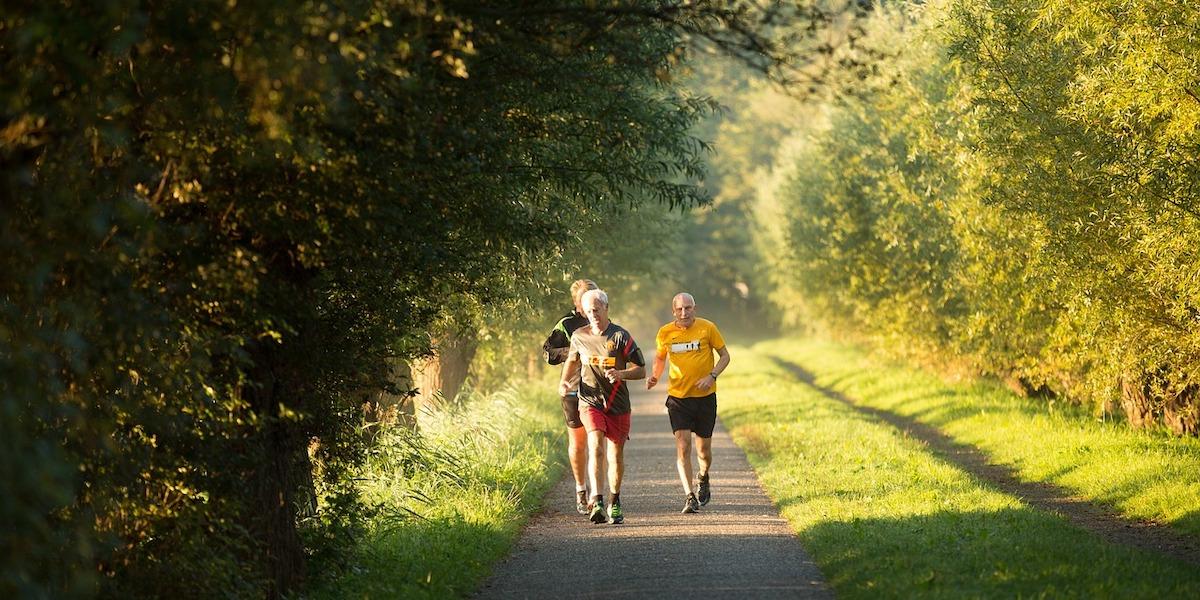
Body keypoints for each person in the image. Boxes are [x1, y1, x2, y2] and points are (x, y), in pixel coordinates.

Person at [558, 289, 645, 524]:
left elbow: (641, 370)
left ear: (606, 308)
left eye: (597, 310)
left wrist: (621, 373)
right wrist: (564, 381)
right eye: (588, 311)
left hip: (617, 404)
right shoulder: (578, 336)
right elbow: (572, 361)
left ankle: (614, 500)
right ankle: (596, 500)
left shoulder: (621, 336)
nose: (593, 314)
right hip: (590, 401)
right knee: (595, 443)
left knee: (615, 455)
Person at [647, 292, 730, 514]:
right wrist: (655, 376)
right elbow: (660, 358)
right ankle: (689, 495)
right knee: (683, 446)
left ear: (695, 308)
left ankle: (703, 476)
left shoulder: (707, 328)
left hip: (705, 398)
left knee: (703, 451)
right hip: (678, 398)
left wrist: (712, 376)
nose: (684, 312)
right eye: (680, 309)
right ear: (673, 311)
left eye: (688, 308)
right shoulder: (665, 332)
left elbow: (725, 356)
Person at [542, 278, 599, 515]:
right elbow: (549, 354)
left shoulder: (601, 320)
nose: (591, 302)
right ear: (576, 301)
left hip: (598, 389)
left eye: (595, 297)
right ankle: (580, 489)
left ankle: (598, 494)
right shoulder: (566, 324)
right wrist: (575, 353)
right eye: (586, 297)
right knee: (579, 443)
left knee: (597, 442)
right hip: (573, 389)